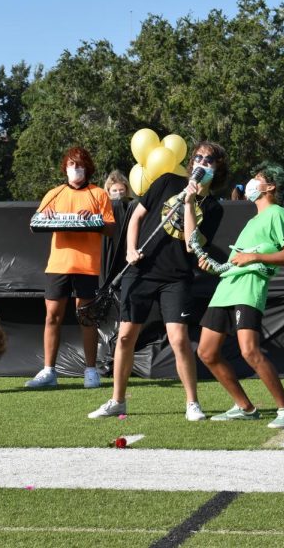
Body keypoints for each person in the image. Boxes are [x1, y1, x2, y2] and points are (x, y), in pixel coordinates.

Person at [88, 141, 227, 421]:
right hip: (141, 271)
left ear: (218, 168)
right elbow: (136, 215)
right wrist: (130, 248)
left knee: (178, 338)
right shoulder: (167, 182)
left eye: (209, 160)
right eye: (198, 158)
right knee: (126, 336)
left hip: (176, 277)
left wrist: (189, 203)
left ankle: (192, 403)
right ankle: (118, 400)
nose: (201, 163)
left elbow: (192, 245)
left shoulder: (212, 208)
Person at [195, 162, 284, 429]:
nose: (251, 183)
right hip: (226, 290)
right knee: (206, 352)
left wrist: (254, 256)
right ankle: (245, 407)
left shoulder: (277, 213)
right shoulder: (253, 220)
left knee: (250, 351)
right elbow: (233, 263)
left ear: (271, 187)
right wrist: (211, 265)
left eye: (257, 178)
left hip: (249, 289)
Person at [25, 147, 117, 389]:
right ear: (64, 168)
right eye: (70, 165)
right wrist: (48, 217)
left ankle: (90, 371)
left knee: (86, 317)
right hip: (58, 264)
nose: (74, 169)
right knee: (52, 316)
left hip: (86, 265)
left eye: (79, 165)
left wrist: (94, 218)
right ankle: (48, 371)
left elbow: (110, 228)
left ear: (87, 167)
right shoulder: (54, 194)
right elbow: (34, 224)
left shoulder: (98, 194)